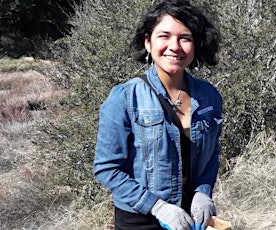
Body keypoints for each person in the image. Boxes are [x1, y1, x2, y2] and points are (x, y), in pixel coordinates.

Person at [93, 1, 222, 229]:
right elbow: (107, 168)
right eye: (164, 36)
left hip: (191, 216)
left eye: (185, 38)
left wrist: (203, 191)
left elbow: (212, 154)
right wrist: (157, 206)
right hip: (139, 219)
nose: (175, 46)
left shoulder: (209, 96)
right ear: (148, 42)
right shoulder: (125, 97)